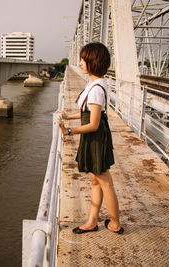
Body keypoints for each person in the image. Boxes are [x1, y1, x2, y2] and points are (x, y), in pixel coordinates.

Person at [55, 42, 124, 234]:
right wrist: (69, 116)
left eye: (83, 60)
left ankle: (115, 223)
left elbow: (93, 123)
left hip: (95, 137)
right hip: (94, 137)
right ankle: (92, 221)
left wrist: (68, 131)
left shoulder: (95, 88)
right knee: (96, 180)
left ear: (93, 62)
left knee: (105, 182)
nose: (80, 63)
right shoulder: (95, 83)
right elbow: (91, 113)